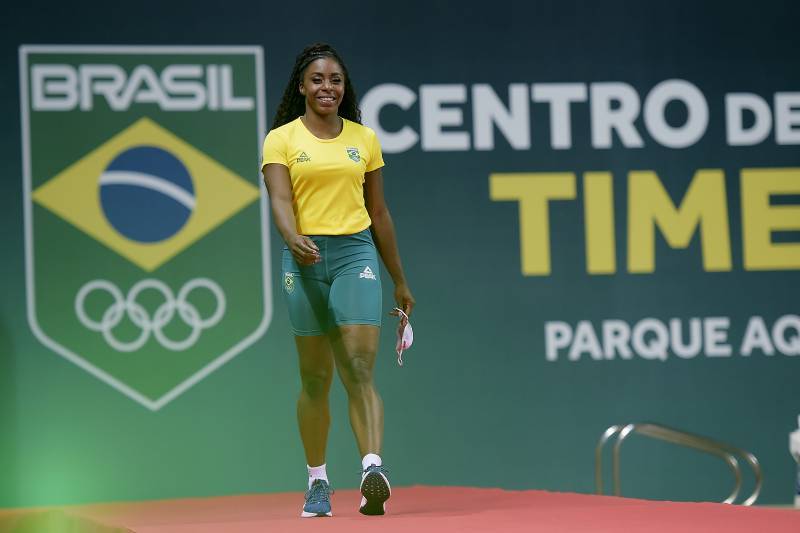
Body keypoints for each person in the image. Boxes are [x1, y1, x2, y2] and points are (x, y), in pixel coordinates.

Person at [261, 43, 415, 518]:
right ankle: (317, 482)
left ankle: (372, 468)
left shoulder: (363, 139)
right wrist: (292, 238)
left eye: (335, 80)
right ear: (302, 87)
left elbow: (380, 212)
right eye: (317, 80)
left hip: (355, 254)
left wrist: (400, 280)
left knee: (360, 365)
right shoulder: (280, 139)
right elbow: (280, 201)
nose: (327, 87)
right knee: (314, 378)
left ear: (344, 89)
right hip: (304, 259)